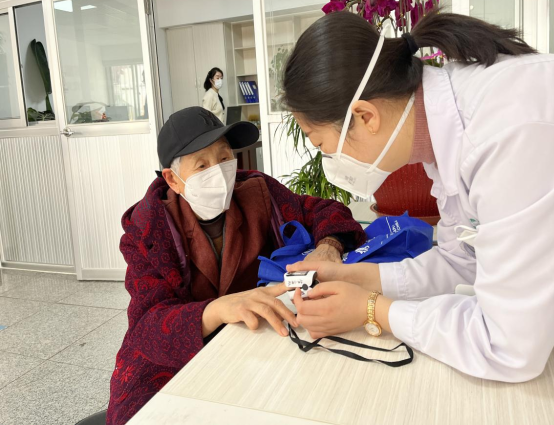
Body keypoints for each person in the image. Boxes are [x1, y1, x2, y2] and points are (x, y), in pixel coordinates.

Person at [283, 9, 554, 383]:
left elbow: (507, 347)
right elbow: (462, 257)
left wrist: (373, 310)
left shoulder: (505, 134)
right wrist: (356, 278)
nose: (330, 161)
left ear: (366, 117)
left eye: (322, 144)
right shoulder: (451, 122)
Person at [107, 107, 365, 425]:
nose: (219, 171)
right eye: (202, 165)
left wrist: (329, 246)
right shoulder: (147, 231)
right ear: (172, 179)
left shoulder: (259, 194)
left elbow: (324, 209)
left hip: (251, 344)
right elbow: (147, 327)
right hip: (170, 362)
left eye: (224, 157)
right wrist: (216, 310)